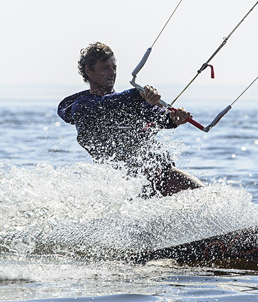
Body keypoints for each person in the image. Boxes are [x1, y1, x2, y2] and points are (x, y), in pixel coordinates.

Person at [57, 42, 203, 197]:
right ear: (89, 71)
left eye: (114, 68)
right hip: (128, 184)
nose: (112, 73)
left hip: (161, 174)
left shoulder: (130, 102)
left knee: (203, 195)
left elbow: (158, 119)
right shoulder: (82, 106)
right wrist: (138, 94)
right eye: (105, 68)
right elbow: (107, 105)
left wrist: (173, 119)